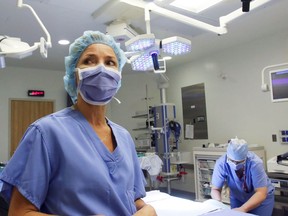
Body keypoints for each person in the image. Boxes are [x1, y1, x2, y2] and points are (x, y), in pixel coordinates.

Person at [0, 31, 157, 216]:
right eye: (89, 61)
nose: (101, 69)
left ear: (118, 76)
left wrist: (147, 209)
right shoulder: (45, 133)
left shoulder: (124, 137)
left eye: (110, 63)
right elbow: (19, 212)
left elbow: (130, 197)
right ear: (74, 74)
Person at [210, 137, 274, 216]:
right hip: (237, 197)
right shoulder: (221, 163)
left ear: (245, 157)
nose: (235, 165)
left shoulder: (255, 163)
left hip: (260, 199)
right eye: (232, 161)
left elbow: (261, 192)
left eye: (239, 162)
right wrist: (219, 203)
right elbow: (215, 189)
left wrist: (243, 209)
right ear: (228, 156)